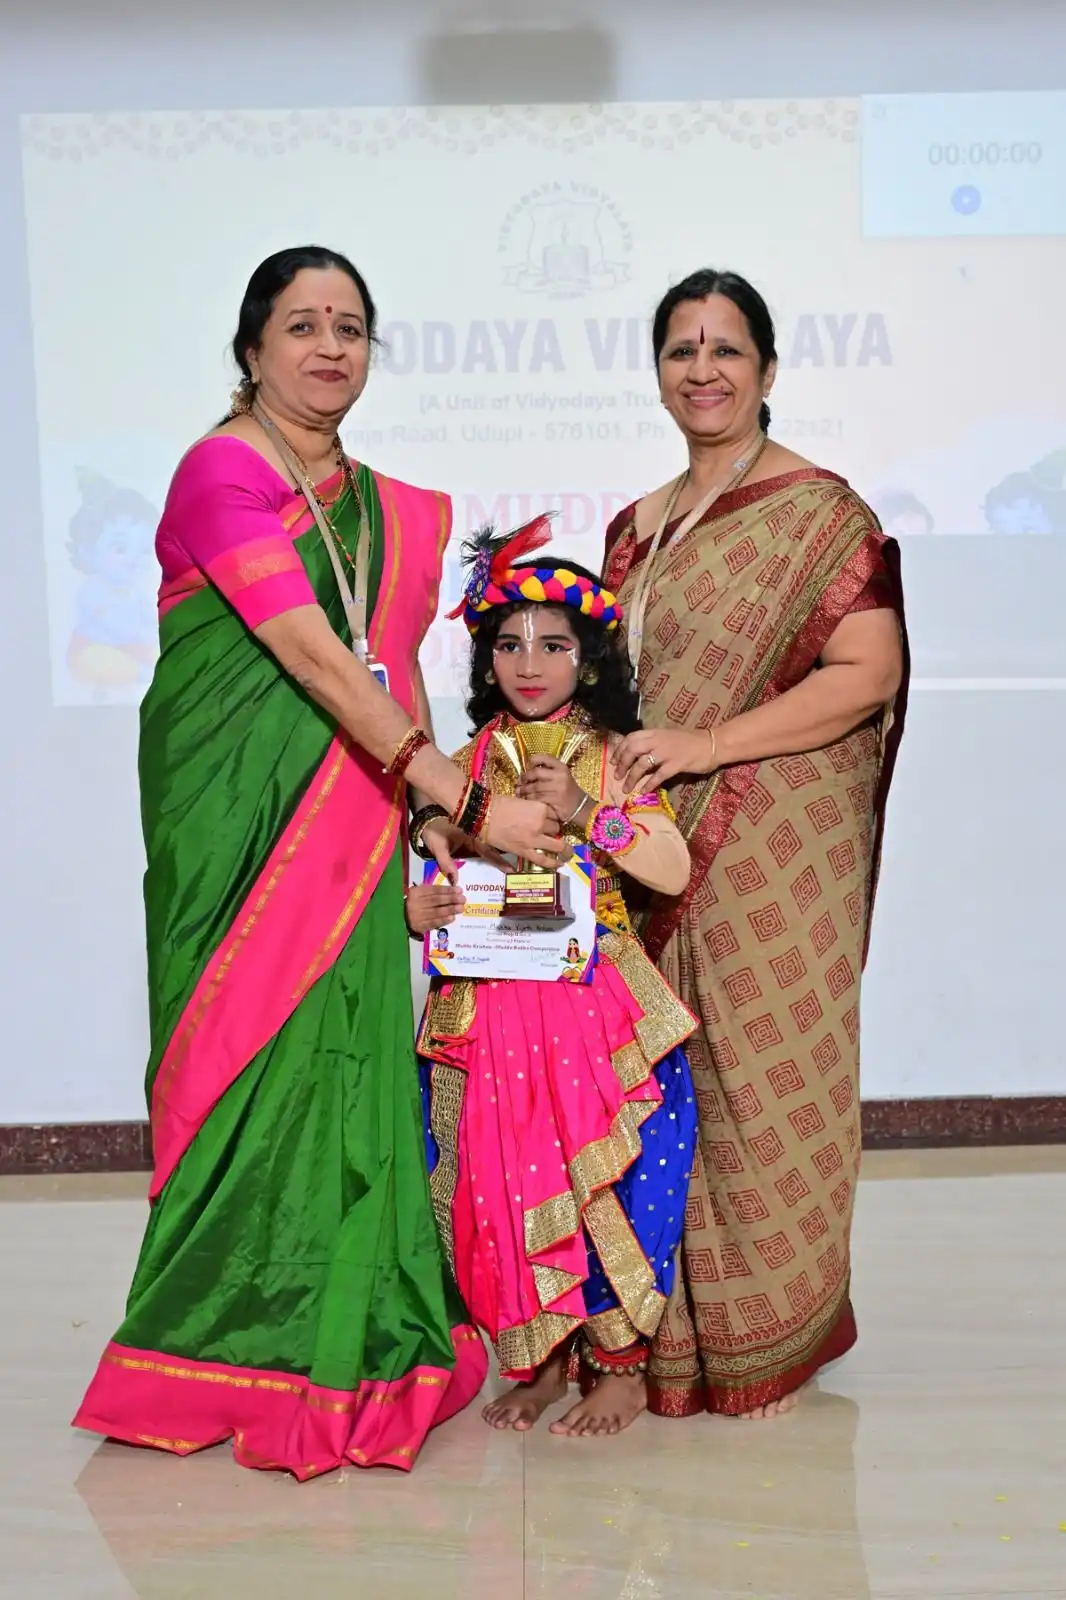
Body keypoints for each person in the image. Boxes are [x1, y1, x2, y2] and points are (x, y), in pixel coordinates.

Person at [73, 245, 561, 1479]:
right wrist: (462, 792)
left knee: (343, 1069)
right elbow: (310, 655)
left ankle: (349, 1323)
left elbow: (388, 676)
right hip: (231, 819)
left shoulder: (391, 508)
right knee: (230, 1060)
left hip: (354, 809)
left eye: (351, 326)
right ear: (252, 348)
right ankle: (210, 1330)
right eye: (303, 324)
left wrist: (441, 825)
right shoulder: (219, 470)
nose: (330, 346)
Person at [602, 268, 908, 1421]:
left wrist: (711, 741)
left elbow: (863, 675)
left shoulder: (822, 514)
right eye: (680, 350)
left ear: (768, 373)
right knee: (654, 1079)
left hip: (781, 838)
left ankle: (761, 1330)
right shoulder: (633, 528)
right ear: (659, 375)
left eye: (726, 349)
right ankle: (654, 1336)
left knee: (765, 1072)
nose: (703, 369)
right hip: (654, 845)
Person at [406, 522, 699, 1437]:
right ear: (486, 660)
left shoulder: (615, 756)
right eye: (508, 643)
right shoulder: (456, 769)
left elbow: (673, 870)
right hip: (488, 1011)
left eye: (555, 644)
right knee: (498, 1185)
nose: (529, 663)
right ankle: (536, 1359)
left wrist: (588, 812)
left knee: (613, 1180)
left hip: (595, 1009)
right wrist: (414, 903)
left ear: (590, 657)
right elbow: (423, 863)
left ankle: (616, 1363)